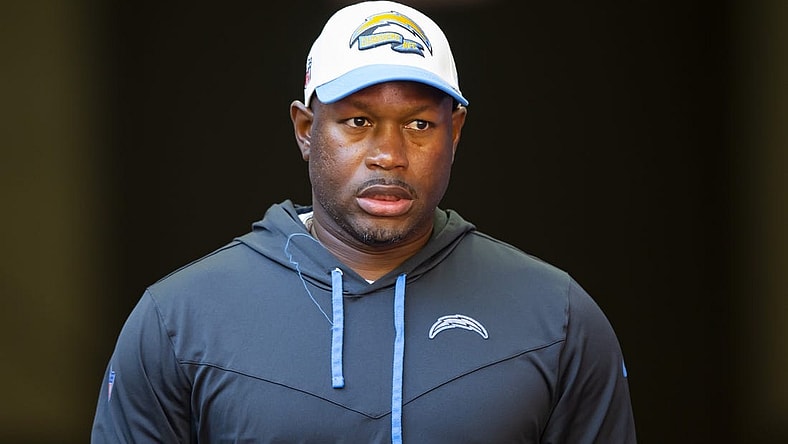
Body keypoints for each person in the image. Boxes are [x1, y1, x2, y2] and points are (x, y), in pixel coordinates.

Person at [91, 1, 637, 442]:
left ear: (457, 133)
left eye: (420, 124)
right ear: (306, 130)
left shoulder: (556, 318)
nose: (389, 154)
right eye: (358, 121)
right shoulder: (179, 320)